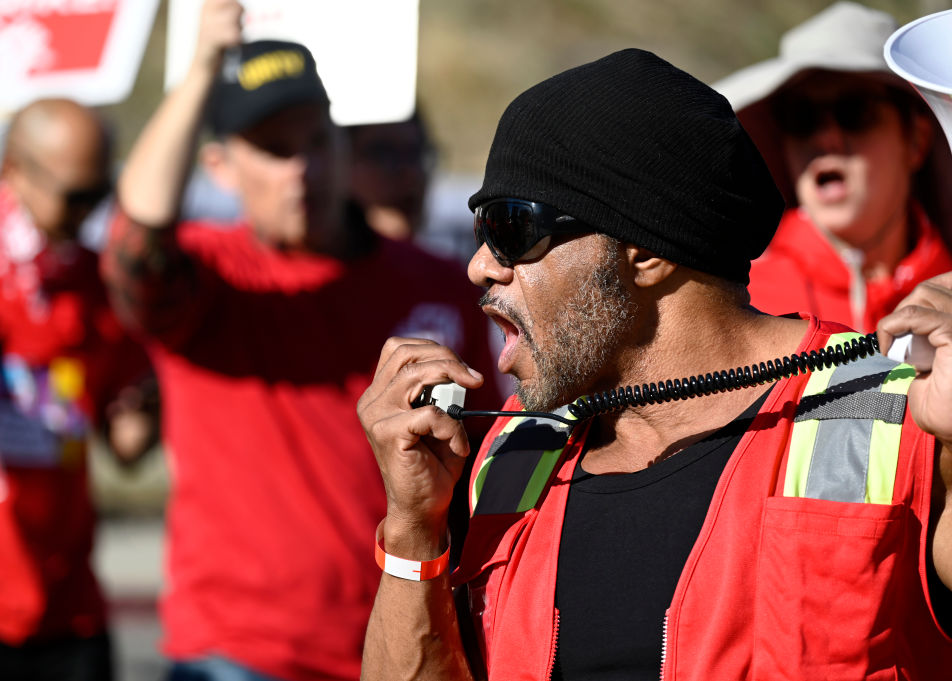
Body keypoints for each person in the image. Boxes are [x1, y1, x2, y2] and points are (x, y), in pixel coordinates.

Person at [357, 47, 952, 680]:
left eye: (510, 228)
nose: (480, 265)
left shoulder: (908, 418)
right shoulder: (511, 451)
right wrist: (413, 532)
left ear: (645, 253)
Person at [101, 1, 499, 679]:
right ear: (220, 166)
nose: (301, 169)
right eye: (274, 149)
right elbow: (137, 237)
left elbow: (480, 463)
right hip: (240, 652)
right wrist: (201, 66)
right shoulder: (206, 279)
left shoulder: (437, 279)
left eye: (315, 141)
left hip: (397, 640)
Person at [0, 98, 156, 680]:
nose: (89, 211)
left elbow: (125, 445)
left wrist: (148, 413)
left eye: (100, 193)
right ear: (14, 170)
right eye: (75, 195)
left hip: (66, 607)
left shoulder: (100, 285)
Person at [713, 1, 952, 333]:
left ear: (916, 141)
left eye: (856, 111)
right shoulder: (736, 293)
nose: (826, 139)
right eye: (801, 117)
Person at [344, 110, 435, 242]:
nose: (411, 174)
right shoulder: (310, 260)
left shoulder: (450, 262)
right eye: (382, 154)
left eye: (416, 154)